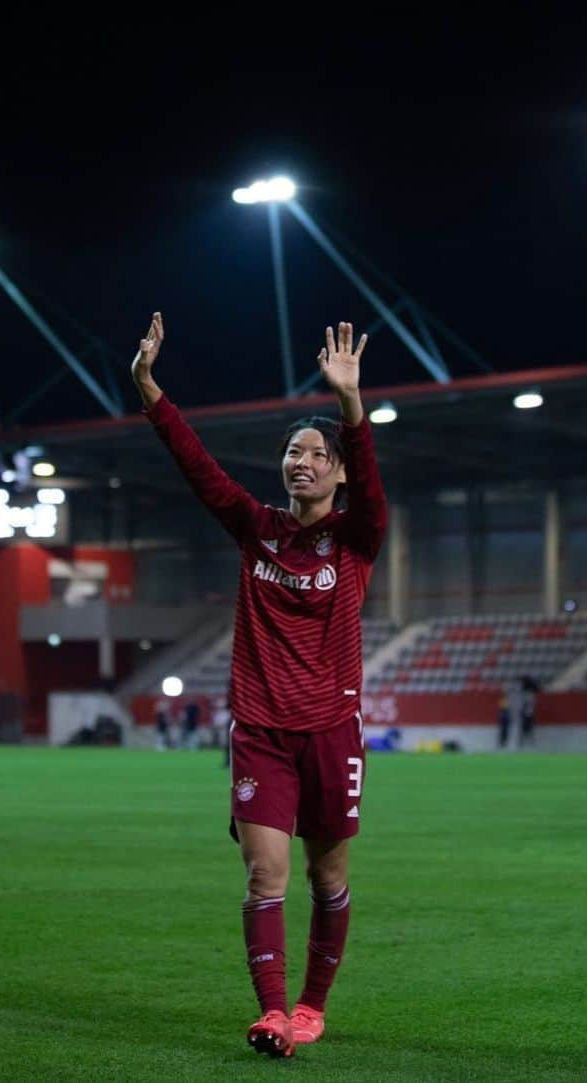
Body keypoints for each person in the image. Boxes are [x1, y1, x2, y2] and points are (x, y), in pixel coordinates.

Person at [133, 313, 387, 1058]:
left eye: (316, 454)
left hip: (333, 729)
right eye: (291, 451)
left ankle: (313, 1005)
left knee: (327, 870)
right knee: (264, 870)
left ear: (337, 471)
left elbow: (373, 489)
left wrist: (351, 406)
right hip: (262, 731)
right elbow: (197, 465)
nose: (300, 461)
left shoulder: (356, 537)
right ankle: (275, 1013)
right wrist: (151, 390)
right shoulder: (255, 527)